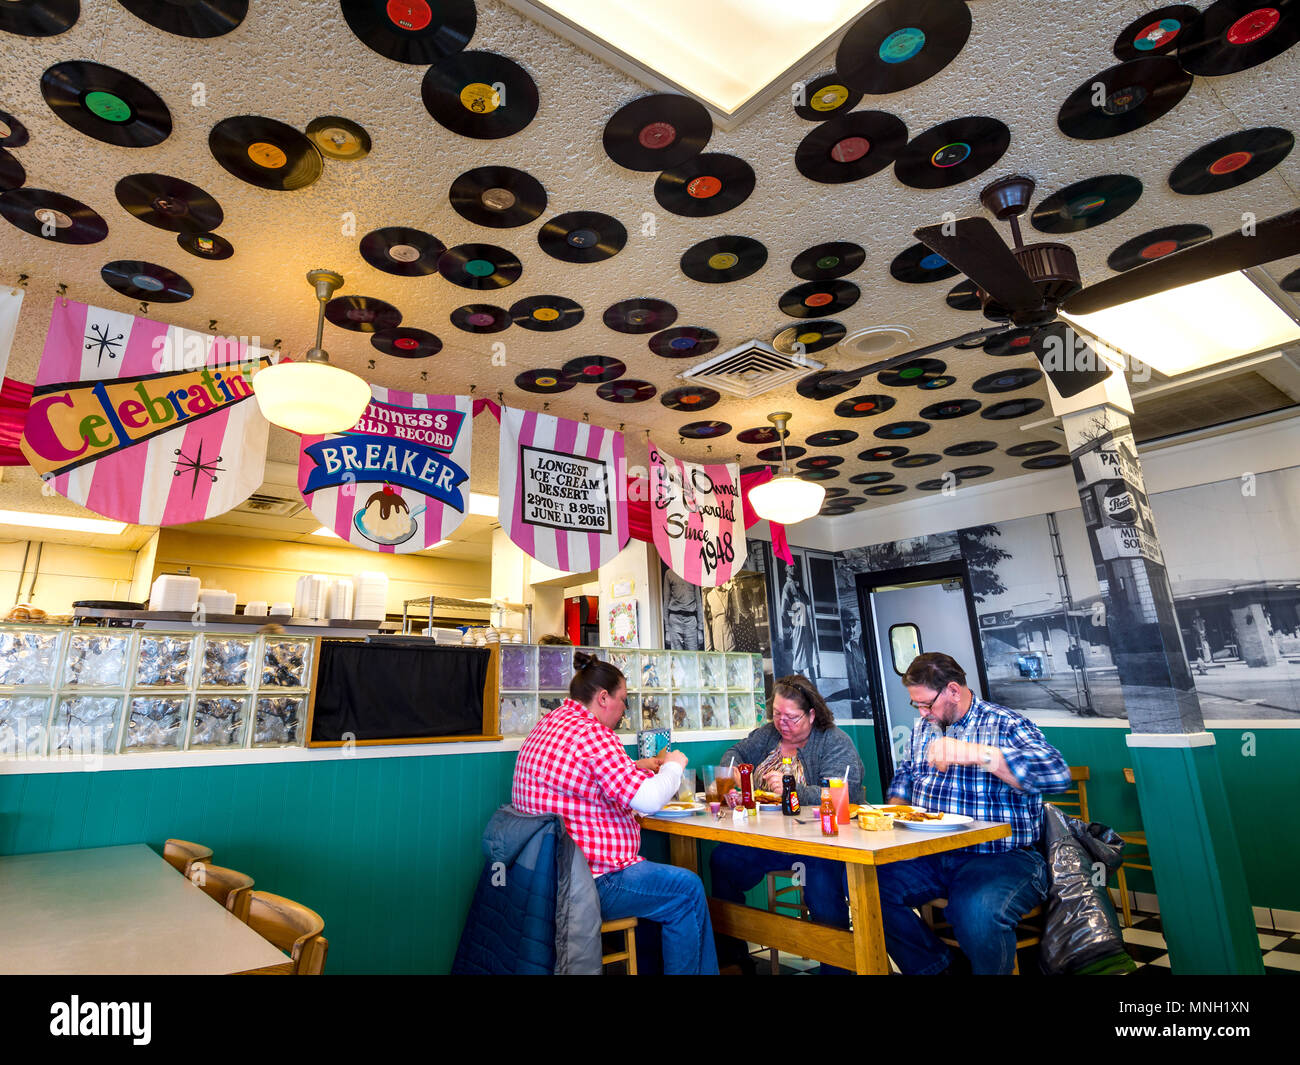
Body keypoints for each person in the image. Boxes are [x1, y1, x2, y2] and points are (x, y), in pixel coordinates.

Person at [512, 651, 718, 974]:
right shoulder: (593, 734)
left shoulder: (549, 725)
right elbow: (648, 799)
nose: (624, 710)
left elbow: (580, 777)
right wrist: (675, 767)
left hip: (546, 879)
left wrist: (635, 766)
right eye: (623, 700)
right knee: (687, 891)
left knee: (662, 885)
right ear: (603, 697)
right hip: (590, 883)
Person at [877, 651, 1071, 975]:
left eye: (927, 704)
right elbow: (907, 775)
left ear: (953, 690)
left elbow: (1057, 773)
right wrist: (894, 809)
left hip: (1003, 856)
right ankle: (939, 969)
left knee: (976, 912)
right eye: (917, 706)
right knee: (867, 888)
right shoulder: (925, 728)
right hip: (930, 851)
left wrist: (977, 754)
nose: (923, 714)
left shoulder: (1005, 723)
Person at [708, 675, 864, 972]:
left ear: (812, 714)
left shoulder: (833, 741)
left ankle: (838, 967)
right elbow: (737, 752)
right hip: (771, 840)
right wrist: (728, 780)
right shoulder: (768, 735)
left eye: (791, 717)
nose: (782, 723)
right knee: (722, 861)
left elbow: (845, 792)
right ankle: (735, 959)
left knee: (820, 883)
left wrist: (793, 789)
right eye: (777, 714)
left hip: (820, 843)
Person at [781, 571, 819, 684]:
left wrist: (800, 588)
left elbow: (807, 601)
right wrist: (792, 626)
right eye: (790, 566)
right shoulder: (787, 586)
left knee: (810, 658)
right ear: (786, 569)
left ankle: (814, 690)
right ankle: (798, 690)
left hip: (806, 624)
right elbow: (783, 611)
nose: (793, 568)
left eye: (794, 565)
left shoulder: (797, 586)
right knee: (799, 660)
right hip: (798, 624)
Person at [662, 567, 704, 650]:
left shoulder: (693, 573)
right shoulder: (669, 573)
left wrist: (700, 628)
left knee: (693, 655)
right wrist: (667, 630)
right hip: (674, 620)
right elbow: (666, 601)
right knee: (677, 656)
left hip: (691, 620)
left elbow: (698, 601)